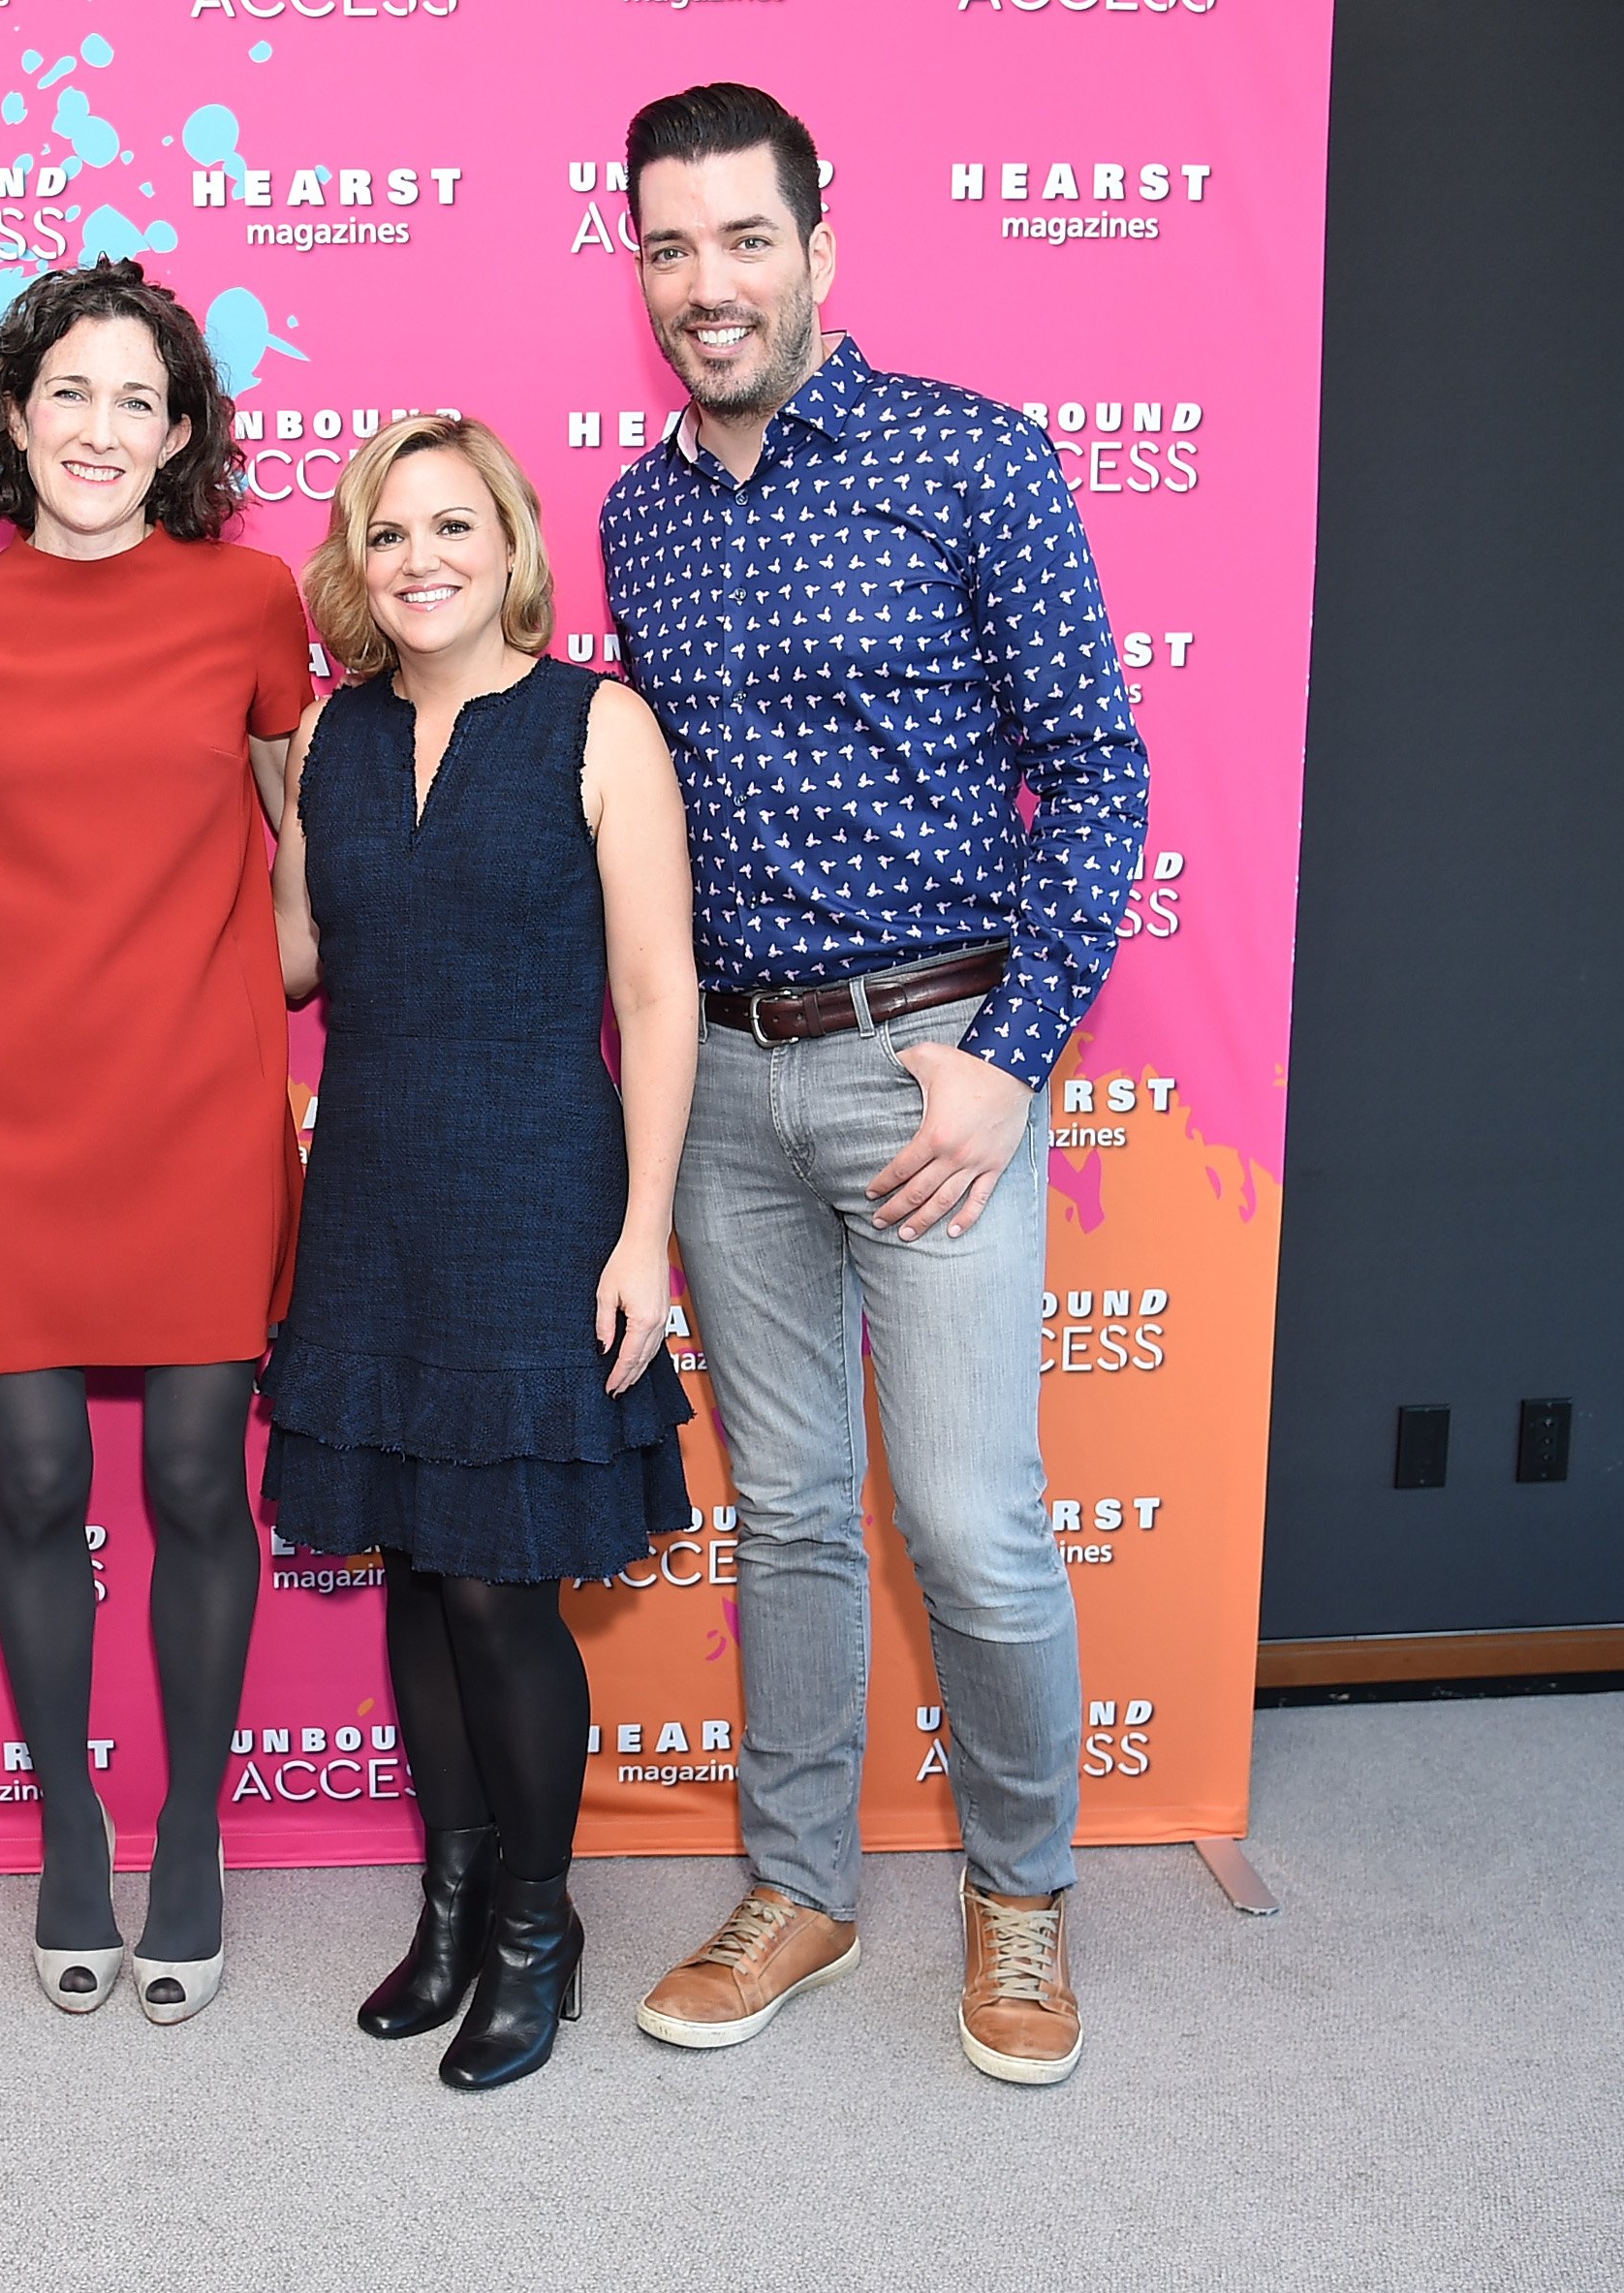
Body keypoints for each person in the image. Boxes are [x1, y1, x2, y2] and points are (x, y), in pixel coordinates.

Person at [601, 83, 1149, 2087]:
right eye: (667, 247)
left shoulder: (967, 461)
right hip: (728, 1093)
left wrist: (1005, 1070)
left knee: (972, 1517)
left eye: (741, 240)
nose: (705, 284)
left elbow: (1093, 771)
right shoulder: (636, 513)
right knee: (795, 1519)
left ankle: (1018, 1895)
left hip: (935, 1080)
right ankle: (801, 1882)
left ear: (817, 250)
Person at [0, 259, 313, 2025]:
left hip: (200, 1106)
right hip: (7, 1111)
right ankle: (70, 1829)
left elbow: (305, 853)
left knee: (201, 1479)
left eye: (141, 400)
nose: (101, 431)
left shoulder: (256, 601)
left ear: (182, 431)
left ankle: (187, 1837)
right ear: (15, 413)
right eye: (71, 394)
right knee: (38, 1484)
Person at [264, 416, 699, 2090]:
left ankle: (535, 1922)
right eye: (388, 532)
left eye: (454, 524)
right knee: (411, 1569)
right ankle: (447, 1904)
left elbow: (658, 994)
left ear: (512, 545)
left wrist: (644, 1231)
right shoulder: (331, 733)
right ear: (355, 564)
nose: (421, 557)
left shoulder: (602, 726)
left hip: (540, 1188)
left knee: (502, 1589)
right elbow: (296, 956)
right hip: (372, 1191)